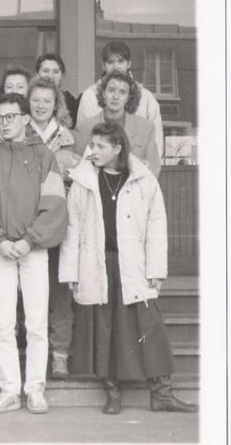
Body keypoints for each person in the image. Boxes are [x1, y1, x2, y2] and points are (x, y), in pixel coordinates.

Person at [59, 121, 197, 415]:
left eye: (100, 146)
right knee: (105, 330)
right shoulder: (83, 181)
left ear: (117, 148)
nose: (93, 151)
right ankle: (112, 393)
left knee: (149, 326)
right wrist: (71, 271)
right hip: (98, 264)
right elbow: (72, 229)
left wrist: (156, 268)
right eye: (92, 145)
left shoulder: (143, 179)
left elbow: (157, 225)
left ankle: (161, 393)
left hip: (132, 264)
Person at [0, 93, 67, 414]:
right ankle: (9, 390)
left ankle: (35, 390)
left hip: (33, 250)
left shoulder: (43, 155)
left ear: (25, 119)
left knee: (36, 323)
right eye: (0, 118)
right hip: (0, 250)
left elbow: (54, 205)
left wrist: (30, 240)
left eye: (11, 117)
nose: (4, 123)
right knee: (2, 323)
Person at [26, 77, 82, 380]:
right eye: (35, 100)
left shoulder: (70, 139)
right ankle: (28, 357)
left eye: (47, 101)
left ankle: (60, 355)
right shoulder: (18, 135)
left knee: (60, 292)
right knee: (27, 293)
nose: (41, 106)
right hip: (26, 223)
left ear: (56, 104)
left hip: (60, 223)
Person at [77, 41, 163, 157]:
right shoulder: (89, 96)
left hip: (139, 164)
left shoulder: (146, 97)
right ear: (103, 65)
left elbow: (156, 143)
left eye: (121, 61)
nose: (116, 67)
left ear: (129, 64)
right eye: (110, 62)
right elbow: (84, 139)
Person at [76, 71, 161, 178]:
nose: (116, 97)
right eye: (111, 90)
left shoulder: (145, 128)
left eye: (122, 92)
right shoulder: (85, 127)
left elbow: (153, 170)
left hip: (135, 187)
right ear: (103, 93)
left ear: (129, 98)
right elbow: (79, 168)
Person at [35, 53, 79, 128]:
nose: (50, 76)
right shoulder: (29, 101)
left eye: (55, 72)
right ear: (37, 74)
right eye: (45, 71)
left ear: (63, 75)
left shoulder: (71, 103)